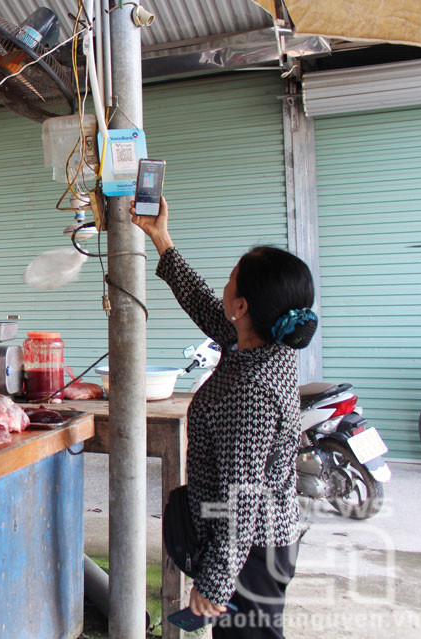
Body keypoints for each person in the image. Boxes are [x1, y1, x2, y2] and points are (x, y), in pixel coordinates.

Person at [132, 196, 316, 638]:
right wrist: (161, 239)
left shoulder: (251, 392)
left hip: (251, 550)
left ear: (243, 307)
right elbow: (204, 305)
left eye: (231, 279)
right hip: (253, 542)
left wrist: (215, 582)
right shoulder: (263, 342)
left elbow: (242, 498)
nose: (224, 286)